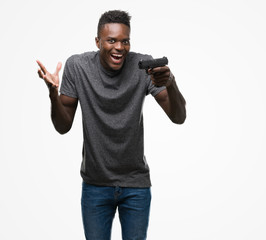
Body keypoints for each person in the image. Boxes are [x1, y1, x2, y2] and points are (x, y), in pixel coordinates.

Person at [36, 10, 186, 240]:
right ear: (98, 42)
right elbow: (63, 125)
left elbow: (179, 117)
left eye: (125, 41)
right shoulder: (78, 66)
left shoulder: (143, 66)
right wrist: (52, 94)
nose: (119, 47)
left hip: (136, 186)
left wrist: (171, 82)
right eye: (111, 40)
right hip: (95, 185)